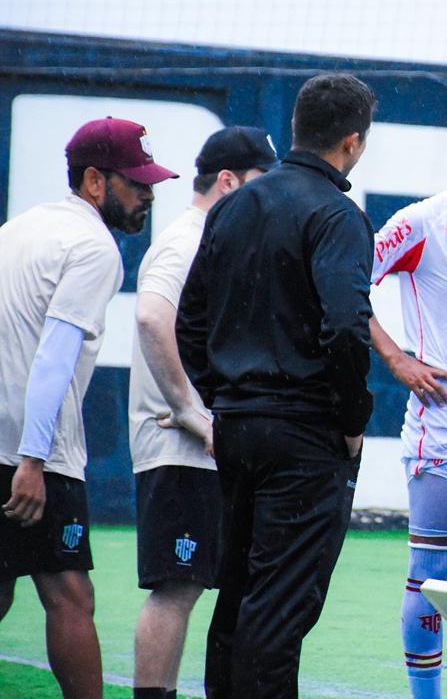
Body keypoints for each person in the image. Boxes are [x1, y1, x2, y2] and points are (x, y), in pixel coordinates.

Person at [177, 73, 379, 698]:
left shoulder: (233, 206)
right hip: (304, 433)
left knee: (237, 590)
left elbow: (191, 321)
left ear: (297, 127)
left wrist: (225, 399)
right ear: (353, 142)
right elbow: (347, 326)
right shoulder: (337, 214)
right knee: (280, 604)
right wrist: (351, 419)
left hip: (238, 427)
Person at [0, 117, 177, 698]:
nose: (149, 192)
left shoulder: (20, 227)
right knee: (71, 597)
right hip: (31, 450)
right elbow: (54, 354)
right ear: (96, 181)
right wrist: (33, 457)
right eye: (138, 181)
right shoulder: (94, 248)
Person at [129, 126, 277, 699]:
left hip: (201, 446)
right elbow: (149, 317)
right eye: (260, 183)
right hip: (179, 447)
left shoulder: (209, 235)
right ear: (228, 180)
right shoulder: (188, 238)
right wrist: (190, 409)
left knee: (192, 584)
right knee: (176, 586)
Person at [367, 102, 447, 699]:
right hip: (440, 433)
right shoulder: (422, 222)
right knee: (431, 576)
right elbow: (346, 280)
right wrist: (397, 358)